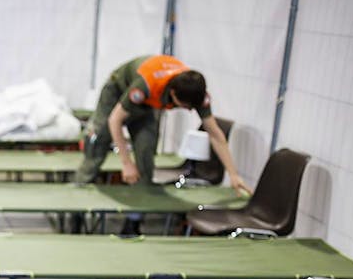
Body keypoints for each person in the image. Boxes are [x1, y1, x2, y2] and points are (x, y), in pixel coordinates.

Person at [75, 55, 252, 235]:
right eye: (185, 106)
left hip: (147, 105)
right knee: (97, 142)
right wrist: (126, 163)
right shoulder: (145, 86)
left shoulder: (196, 94)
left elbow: (215, 134)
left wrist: (233, 174)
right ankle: (77, 209)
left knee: (146, 153)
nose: (189, 110)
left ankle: (133, 222)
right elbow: (115, 120)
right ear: (173, 94)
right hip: (118, 91)